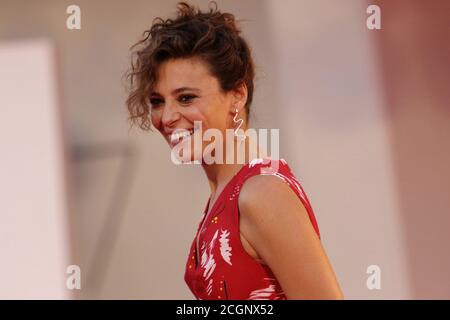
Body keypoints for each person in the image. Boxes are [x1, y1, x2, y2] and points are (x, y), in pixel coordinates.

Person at [126, 1, 343, 300]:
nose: (166, 117)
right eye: (157, 101)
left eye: (186, 98)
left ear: (237, 95)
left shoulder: (262, 192)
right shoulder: (225, 195)